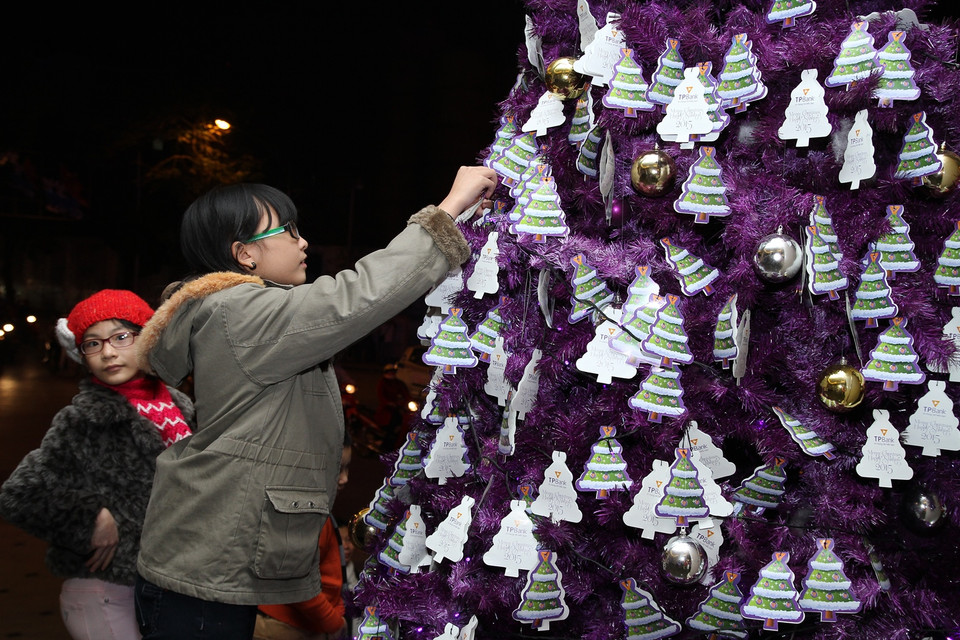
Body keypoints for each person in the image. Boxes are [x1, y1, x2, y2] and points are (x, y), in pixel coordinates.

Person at [132, 165, 497, 639]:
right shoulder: (239, 312)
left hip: (209, 568)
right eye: (289, 231)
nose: (303, 243)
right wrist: (447, 211)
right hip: (203, 579)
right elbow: (355, 298)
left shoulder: (243, 312)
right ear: (244, 254)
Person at [0, 290, 195, 640]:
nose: (107, 352)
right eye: (92, 343)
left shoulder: (179, 406)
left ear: (149, 337)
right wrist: (89, 516)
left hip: (164, 588)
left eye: (121, 337)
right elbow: (19, 494)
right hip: (105, 591)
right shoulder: (83, 418)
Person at [253, 434, 353, 640]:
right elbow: (298, 584)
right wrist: (334, 622)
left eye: (348, 468)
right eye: (338, 468)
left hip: (304, 625)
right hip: (283, 628)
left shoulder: (320, 511)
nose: (345, 478)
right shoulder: (306, 515)